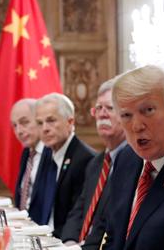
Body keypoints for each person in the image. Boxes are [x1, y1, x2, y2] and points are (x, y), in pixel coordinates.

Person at [102, 65, 164, 250]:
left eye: (148, 110)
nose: (137, 126)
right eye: (126, 115)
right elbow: (114, 238)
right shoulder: (126, 158)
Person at [61, 78, 126, 248]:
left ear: (126, 114)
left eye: (110, 108)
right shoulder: (96, 163)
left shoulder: (134, 163)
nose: (102, 114)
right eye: (98, 108)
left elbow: (112, 221)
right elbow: (79, 210)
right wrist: (69, 242)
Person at [32, 92, 95, 238]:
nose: (45, 129)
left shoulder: (86, 159)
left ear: (70, 122)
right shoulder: (48, 153)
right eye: (40, 123)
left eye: (51, 120)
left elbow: (78, 217)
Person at [10, 98, 52, 223]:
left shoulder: (53, 153)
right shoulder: (27, 153)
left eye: (24, 122)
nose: (19, 131)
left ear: (40, 121)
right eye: (15, 125)